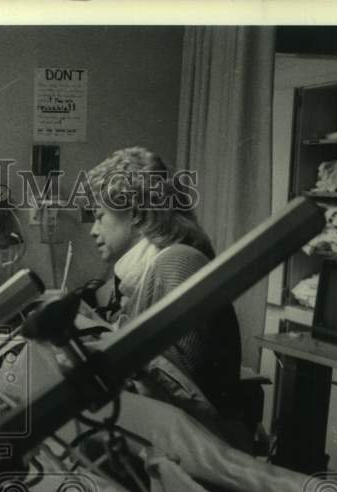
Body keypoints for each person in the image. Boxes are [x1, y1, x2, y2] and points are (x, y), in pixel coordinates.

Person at [82, 146, 243, 432]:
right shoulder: (144, 272)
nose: (93, 230)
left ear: (135, 212)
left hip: (195, 440)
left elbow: (179, 384)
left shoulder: (178, 262)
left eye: (99, 216)